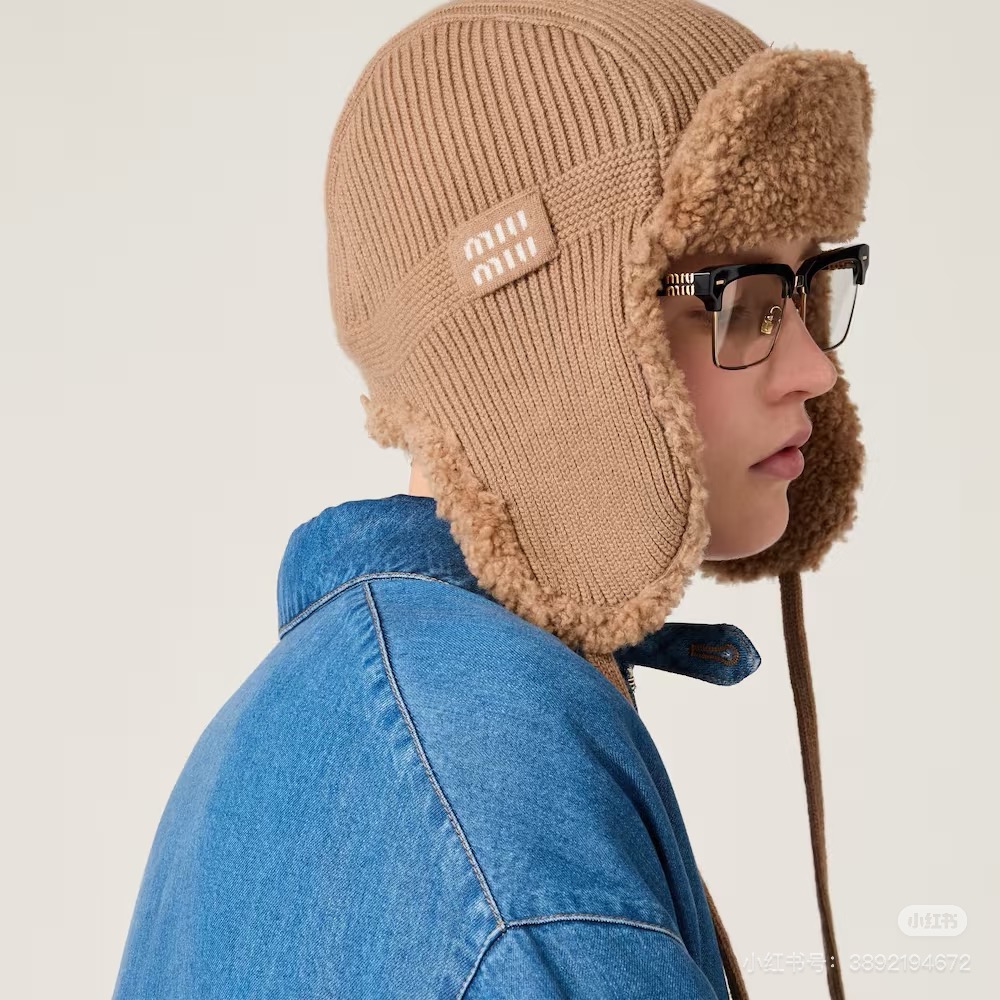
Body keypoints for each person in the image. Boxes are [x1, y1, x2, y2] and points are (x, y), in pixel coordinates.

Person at [111, 2, 873, 998]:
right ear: (551, 336)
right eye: (743, 302)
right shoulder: (498, 784)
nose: (814, 368)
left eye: (808, 289)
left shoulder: (299, 727)